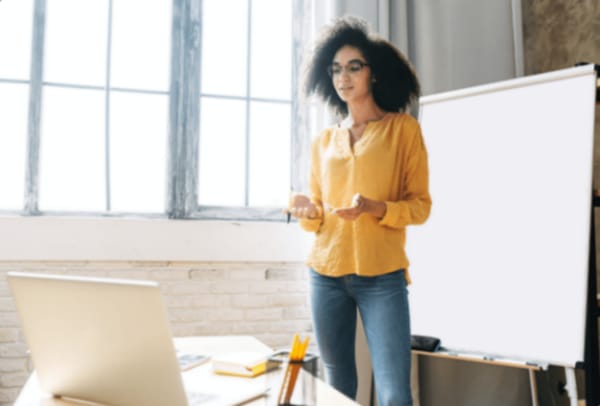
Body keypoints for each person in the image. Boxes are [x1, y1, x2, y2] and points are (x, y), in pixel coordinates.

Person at [289, 16, 431, 406]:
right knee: (337, 386)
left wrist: (376, 208)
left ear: (375, 73)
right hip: (325, 274)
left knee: (394, 391)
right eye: (335, 69)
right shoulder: (324, 140)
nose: (343, 77)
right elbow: (318, 213)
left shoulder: (403, 130)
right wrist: (306, 209)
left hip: (382, 277)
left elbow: (420, 207)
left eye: (354, 67)